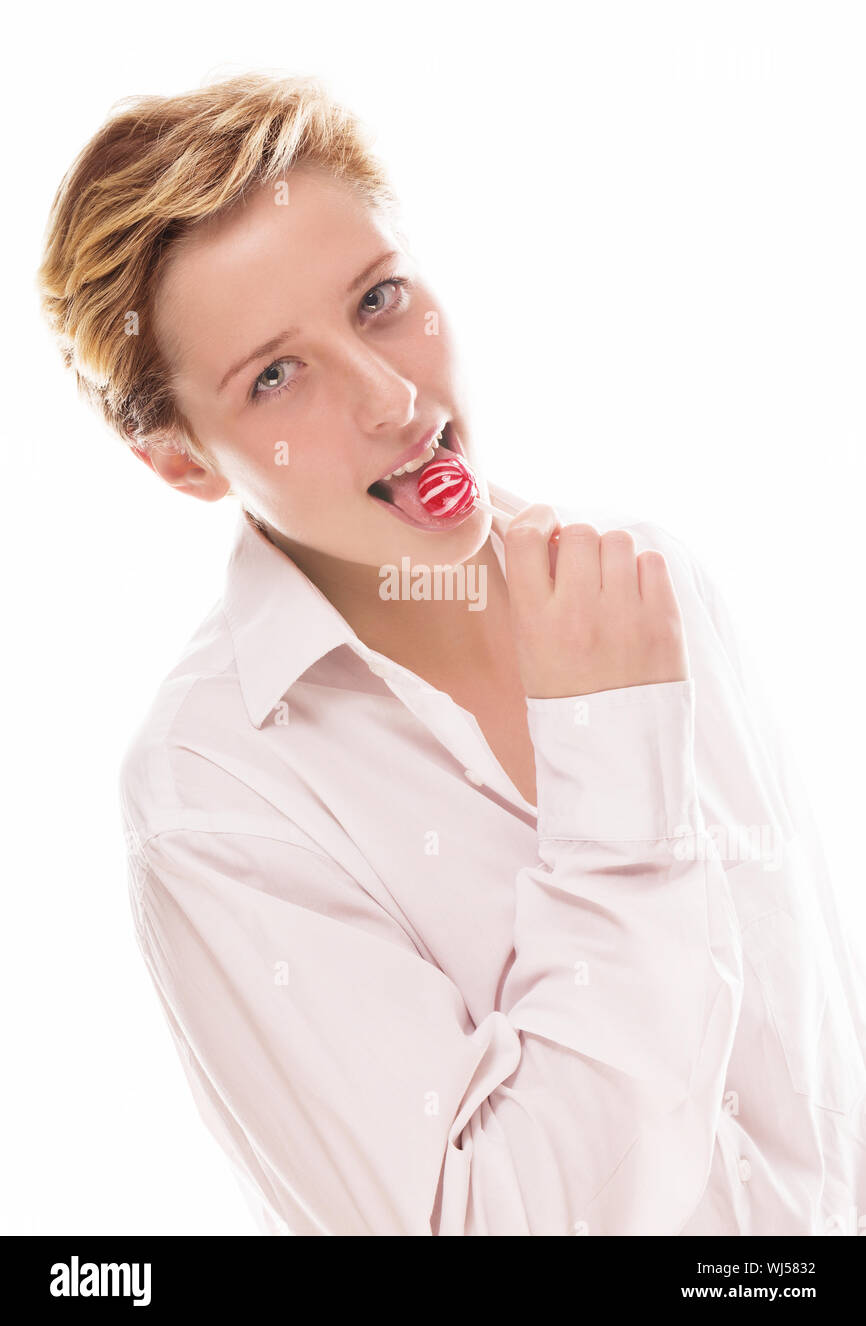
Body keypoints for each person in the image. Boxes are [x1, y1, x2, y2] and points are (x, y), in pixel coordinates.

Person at [38, 72, 866, 1236]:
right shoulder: (212, 796)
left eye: (378, 299)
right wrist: (615, 780)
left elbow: (821, 1109)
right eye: (274, 375)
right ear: (182, 460)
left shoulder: (654, 584)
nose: (389, 399)